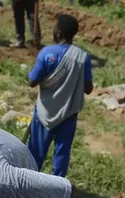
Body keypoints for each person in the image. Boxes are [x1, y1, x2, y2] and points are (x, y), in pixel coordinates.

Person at [28, 14, 93, 177]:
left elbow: (32, 81)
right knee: (62, 153)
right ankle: (57, 188)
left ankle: (28, 181)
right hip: (68, 113)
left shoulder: (46, 53)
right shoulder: (82, 57)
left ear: (58, 33)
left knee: (36, 151)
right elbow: (88, 89)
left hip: (45, 112)